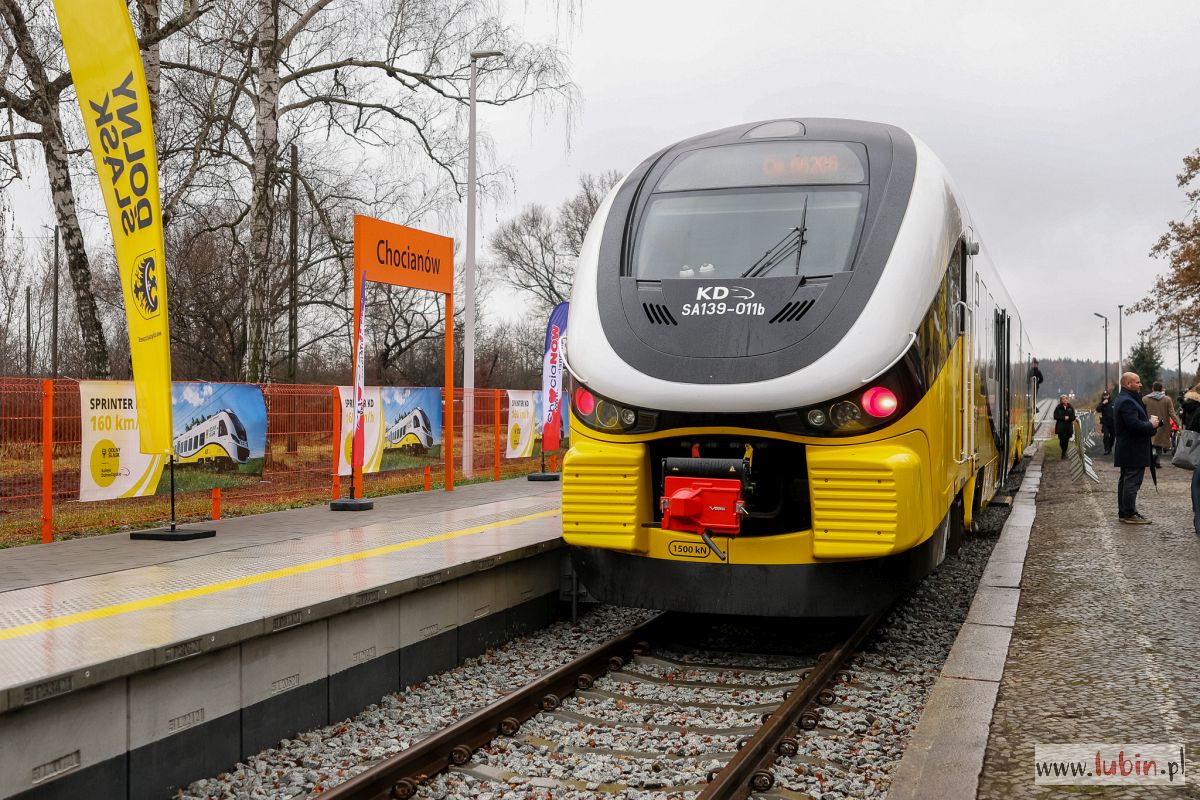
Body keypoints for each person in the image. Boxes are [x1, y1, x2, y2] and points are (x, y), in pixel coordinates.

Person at [1112, 371, 1162, 524]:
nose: (1140, 385)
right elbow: (1133, 425)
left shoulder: (1125, 398)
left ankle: (1125, 512)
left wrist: (1149, 423)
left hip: (1128, 448)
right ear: (1128, 384)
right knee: (1132, 482)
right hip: (1133, 449)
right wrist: (1151, 424)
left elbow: (1133, 422)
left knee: (1126, 481)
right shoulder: (1127, 401)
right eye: (1137, 382)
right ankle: (1128, 514)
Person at [1141, 381, 1180, 468]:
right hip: (1163, 425)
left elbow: (1141, 412)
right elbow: (1172, 413)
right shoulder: (1167, 399)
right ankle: (1157, 462)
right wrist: (1178, 424)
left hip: (1149, 424)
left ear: (1152, 388)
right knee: (1159, 444)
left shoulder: (1145, 399)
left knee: (1151, 442)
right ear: (1162, 389)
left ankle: (1152, 455)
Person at [1052, 394, 1076, 459]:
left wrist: (1069, 418)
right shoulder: (1058, 407)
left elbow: (1073, 417)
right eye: (1063, 399)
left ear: (1067, 400)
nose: (1065, 400)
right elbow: (1055, 416)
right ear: (1061, 400)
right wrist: (1063, 417)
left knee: (1066, 440)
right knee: (1061, 440)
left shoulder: (1071, 407)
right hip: (1060, 427)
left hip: (1068, 427)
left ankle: (1064, 452)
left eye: (1066, 399)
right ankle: (1063, 451)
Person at [1095, 390, 1115, 455]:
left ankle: (1110, 448)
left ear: (1109, 395)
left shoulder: (1113, 403)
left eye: (1107, 395)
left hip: (1113, 423)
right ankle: (1106, 449)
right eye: (1104, 395)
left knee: (1112, 437)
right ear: (1103, 396)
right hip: (1105, 423)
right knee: (1106, 436)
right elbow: (1098, 409)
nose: (1106, 397)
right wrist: (1103, 403)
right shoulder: (1102, 403)